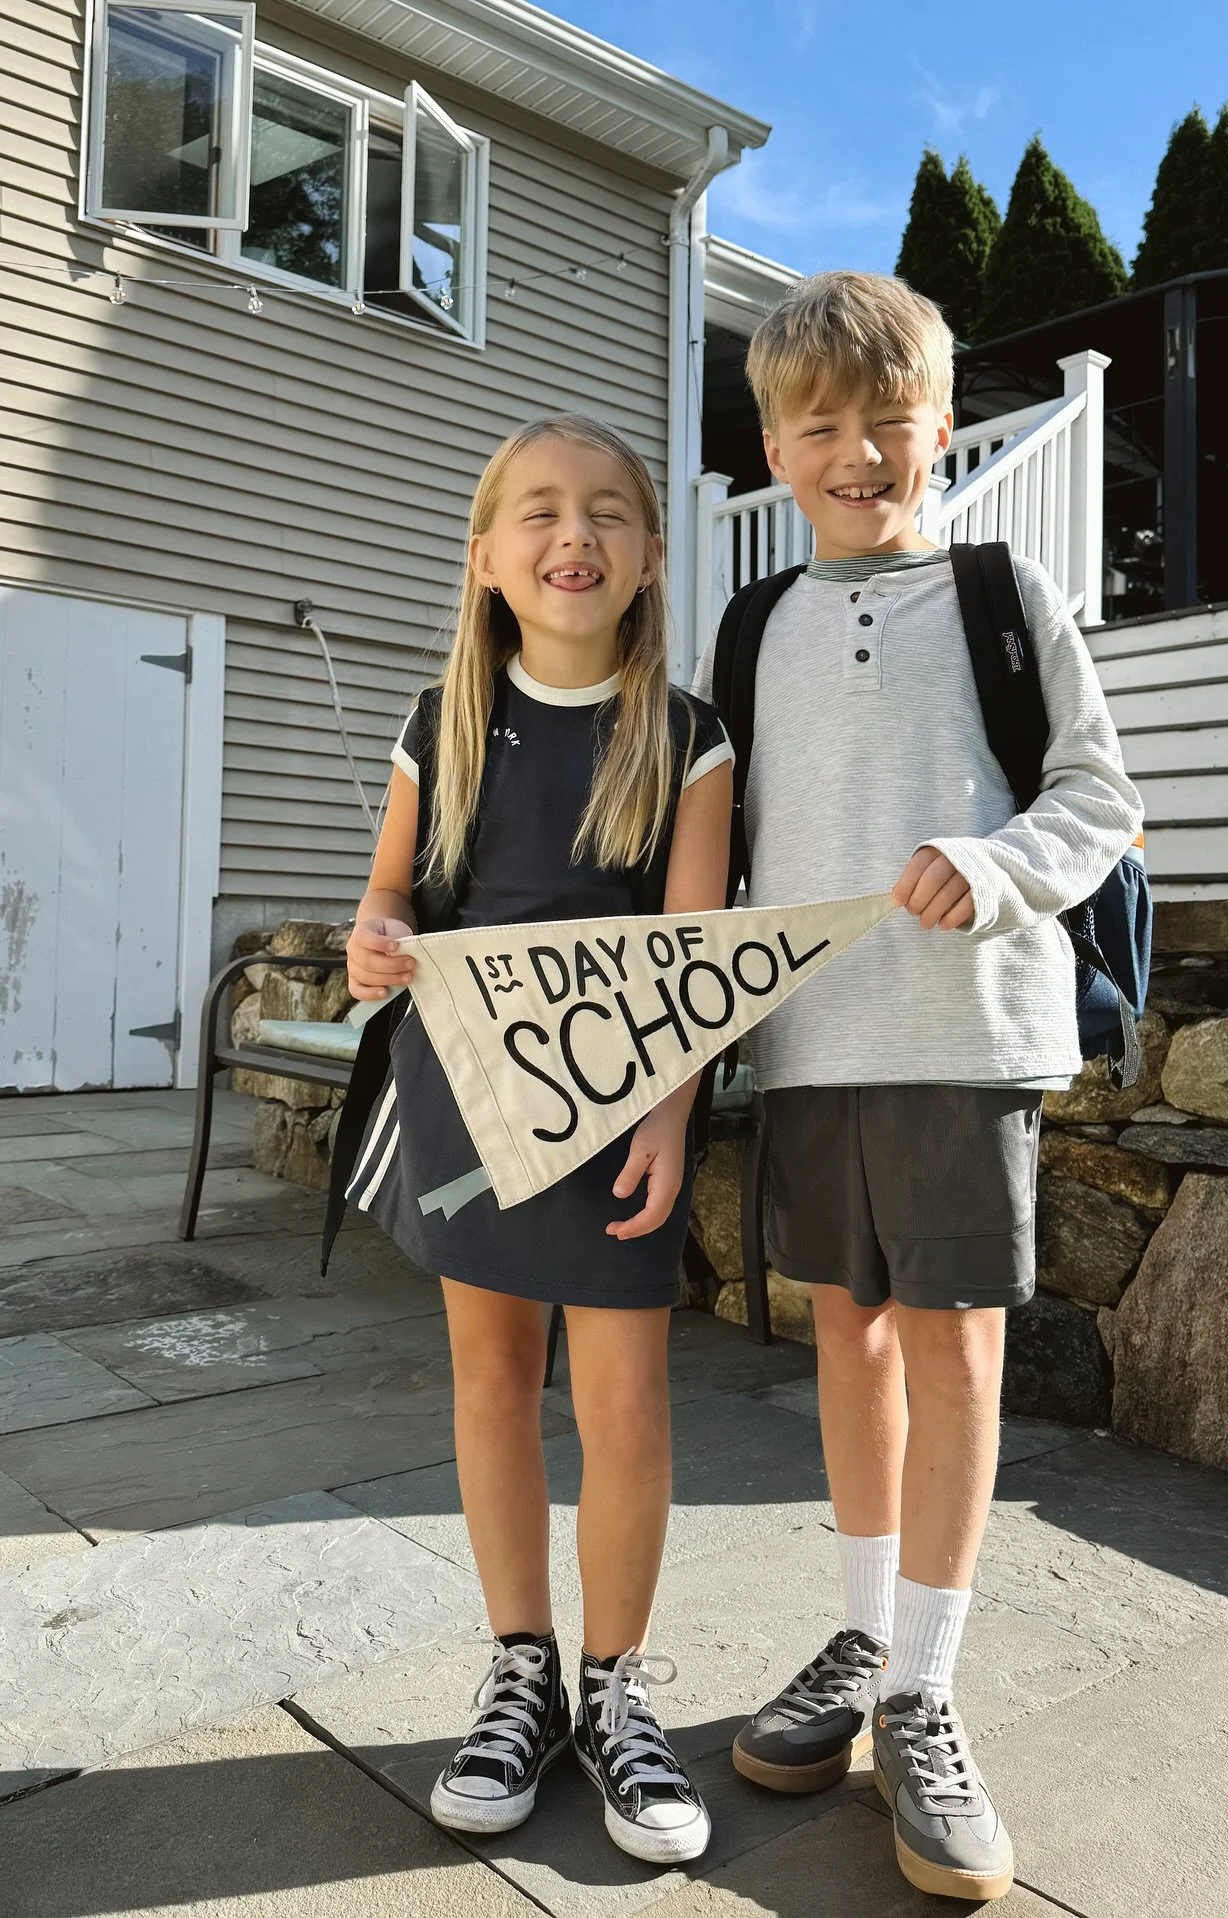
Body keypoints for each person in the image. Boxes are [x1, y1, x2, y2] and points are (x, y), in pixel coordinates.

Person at [697, 273, 1143, 1903]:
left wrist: (997, 862)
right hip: (811, 1045)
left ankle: (927, 1685)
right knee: (845, 1333)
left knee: (956, 1351)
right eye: (822, 426)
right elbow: (712, 847)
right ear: (774, 448)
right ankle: (865, 1629)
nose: (859, 451)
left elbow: (1104, 799)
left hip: (965, 1037)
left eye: (890, 422)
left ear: (940, 426)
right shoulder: (750, 630)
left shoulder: (1006, 589)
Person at [344, 414, 733, 1867]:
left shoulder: (689, 736)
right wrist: (376, 941)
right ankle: (521, 1664)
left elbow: (697, 956)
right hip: (468, 1100)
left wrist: (670, 1114)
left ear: (643, 559)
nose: (576, 535)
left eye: (610, 514)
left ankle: (617, 1688)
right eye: (542, 513)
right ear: (489, 556)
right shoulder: (436, 722)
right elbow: (389, 901)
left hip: (622, 1113)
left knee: (625, 1402)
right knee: (494, 1380)